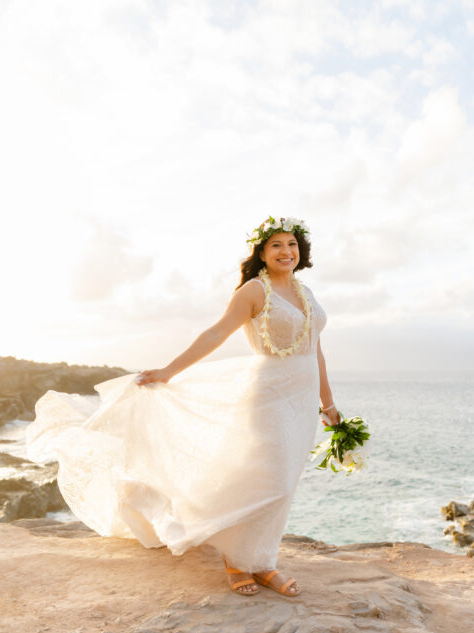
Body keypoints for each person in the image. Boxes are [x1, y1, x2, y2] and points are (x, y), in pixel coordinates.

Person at [26, 216, 338, 597]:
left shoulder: (307, 294)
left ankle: (263, 561)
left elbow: (315, 349)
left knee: (285, 482)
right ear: (261, 252)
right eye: (276, 245)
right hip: (268, 395)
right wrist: (170, 371)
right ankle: (237, 561)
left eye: (291, 244)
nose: (285, 251)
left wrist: (328, 403)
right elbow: (217, 333)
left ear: (299, 250)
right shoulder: (254, 291)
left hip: (301, 400)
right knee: (267, 478)